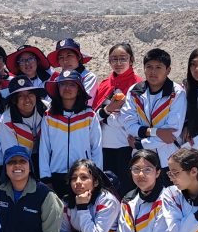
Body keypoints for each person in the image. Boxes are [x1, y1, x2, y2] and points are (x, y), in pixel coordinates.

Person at [119, 48, 186, 186]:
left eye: (158, 67)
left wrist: (140, 143)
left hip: (169, 159)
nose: (153, 72)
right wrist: (155, 132)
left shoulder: (176, 92)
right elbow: (128, 124)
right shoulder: (135, 91)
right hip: (141, 160)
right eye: (149, 67)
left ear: (168, 70)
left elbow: (172, 132)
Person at [39, 70, 102, 198]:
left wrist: (96, 175)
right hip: (56, 174)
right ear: (58, 89)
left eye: (72, 84)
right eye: (63, 84)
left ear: (79, 89)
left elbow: (96, 147)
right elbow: (44, 148)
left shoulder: (89, 115)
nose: (67, 88)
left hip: (83, 175)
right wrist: (46, 178)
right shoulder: (49, 116)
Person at [92, 43, 143, 196]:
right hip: (104, 146)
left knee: (128, 190)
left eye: (123, 59)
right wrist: (108, 112)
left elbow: (133, 118)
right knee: (107, 191)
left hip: (127, 146)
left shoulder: (139, 86)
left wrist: (107, 118)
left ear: (131, 60)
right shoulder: (104, 85)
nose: (118, 63)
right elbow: (94, 116)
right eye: (114, 59)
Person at [0, 146, 63, 232]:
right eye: (11, 162)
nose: (17, 165)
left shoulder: (46, 196)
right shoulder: (0, 193)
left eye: (22, 161)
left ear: (30, 167)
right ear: (5, 168)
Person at [57, 159, 121, 232]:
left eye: (84, 177)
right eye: (74, 178)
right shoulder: (67, 202)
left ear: (95, 182)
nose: (78, 182)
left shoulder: (107, 201)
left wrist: (82, 207)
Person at [117, 149, 168, 232]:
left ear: (157, 172)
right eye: (136, 169)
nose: (141, 174)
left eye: (147, 170)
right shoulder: (127, 201)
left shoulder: (166, 200)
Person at [0, 75, 49, 179]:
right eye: (21, 96)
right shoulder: (6, 120)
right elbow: (12, 154)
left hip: (47, 157)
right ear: (14, 100)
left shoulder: (47, 109)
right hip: (22, 161)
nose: (27, 99)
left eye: (30, 94)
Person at [47, 38, 98, 104]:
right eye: (61, 57)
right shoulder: (57, 80)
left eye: (69, 55)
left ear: (79, 57)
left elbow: (86, 102)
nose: (65, 60)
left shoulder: (88, 77)